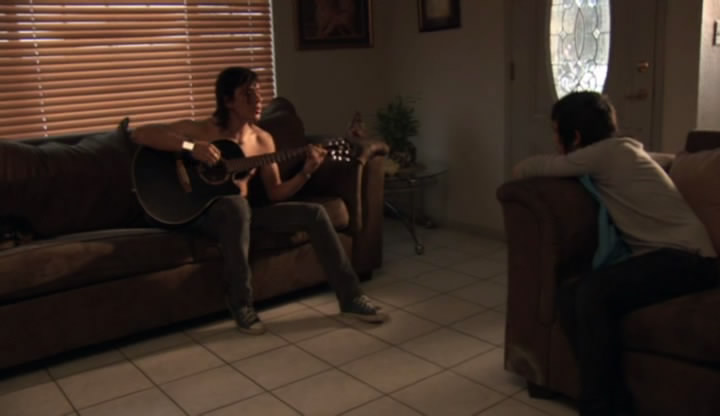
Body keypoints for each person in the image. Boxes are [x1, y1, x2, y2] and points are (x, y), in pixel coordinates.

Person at [132, 67, 387, 335]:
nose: (257, 101)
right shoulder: (201, 130)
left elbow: (276, 193)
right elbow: (140, 134)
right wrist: (191, 147)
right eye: (248, 94)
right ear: (228, 100)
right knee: (236, 205)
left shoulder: (263, 140)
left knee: (315, 213)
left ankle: (352, 298)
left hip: (242, 217)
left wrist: (306, 171)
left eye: (258, 93)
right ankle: (241, 303)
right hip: (195, 214)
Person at [513, 91, 720, 416]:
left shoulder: (603, 154)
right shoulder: (621, 150)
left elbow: (531, 168)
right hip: (670, 258)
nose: (554, 140)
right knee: (569, 293)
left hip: (689, 259)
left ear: (575, 136)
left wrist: (530, 164)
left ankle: (603, 408)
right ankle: (605, 394)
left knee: (593, 292)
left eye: (556, 132)